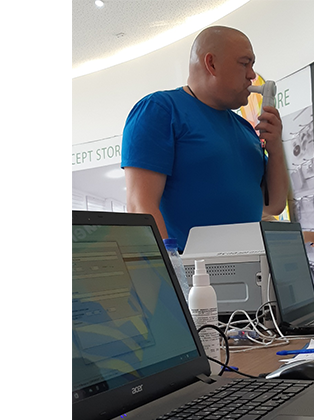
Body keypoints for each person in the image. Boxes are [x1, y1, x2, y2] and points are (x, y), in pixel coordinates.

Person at [122, 26, 289, 251]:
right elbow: (140, 207)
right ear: (211, 64)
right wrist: (172, 268)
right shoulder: (160, 110)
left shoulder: (245, 128)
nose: (252, 75)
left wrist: (275, 148)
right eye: (244, 64)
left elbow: (273, 205)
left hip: (247, 267)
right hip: (188, 269)